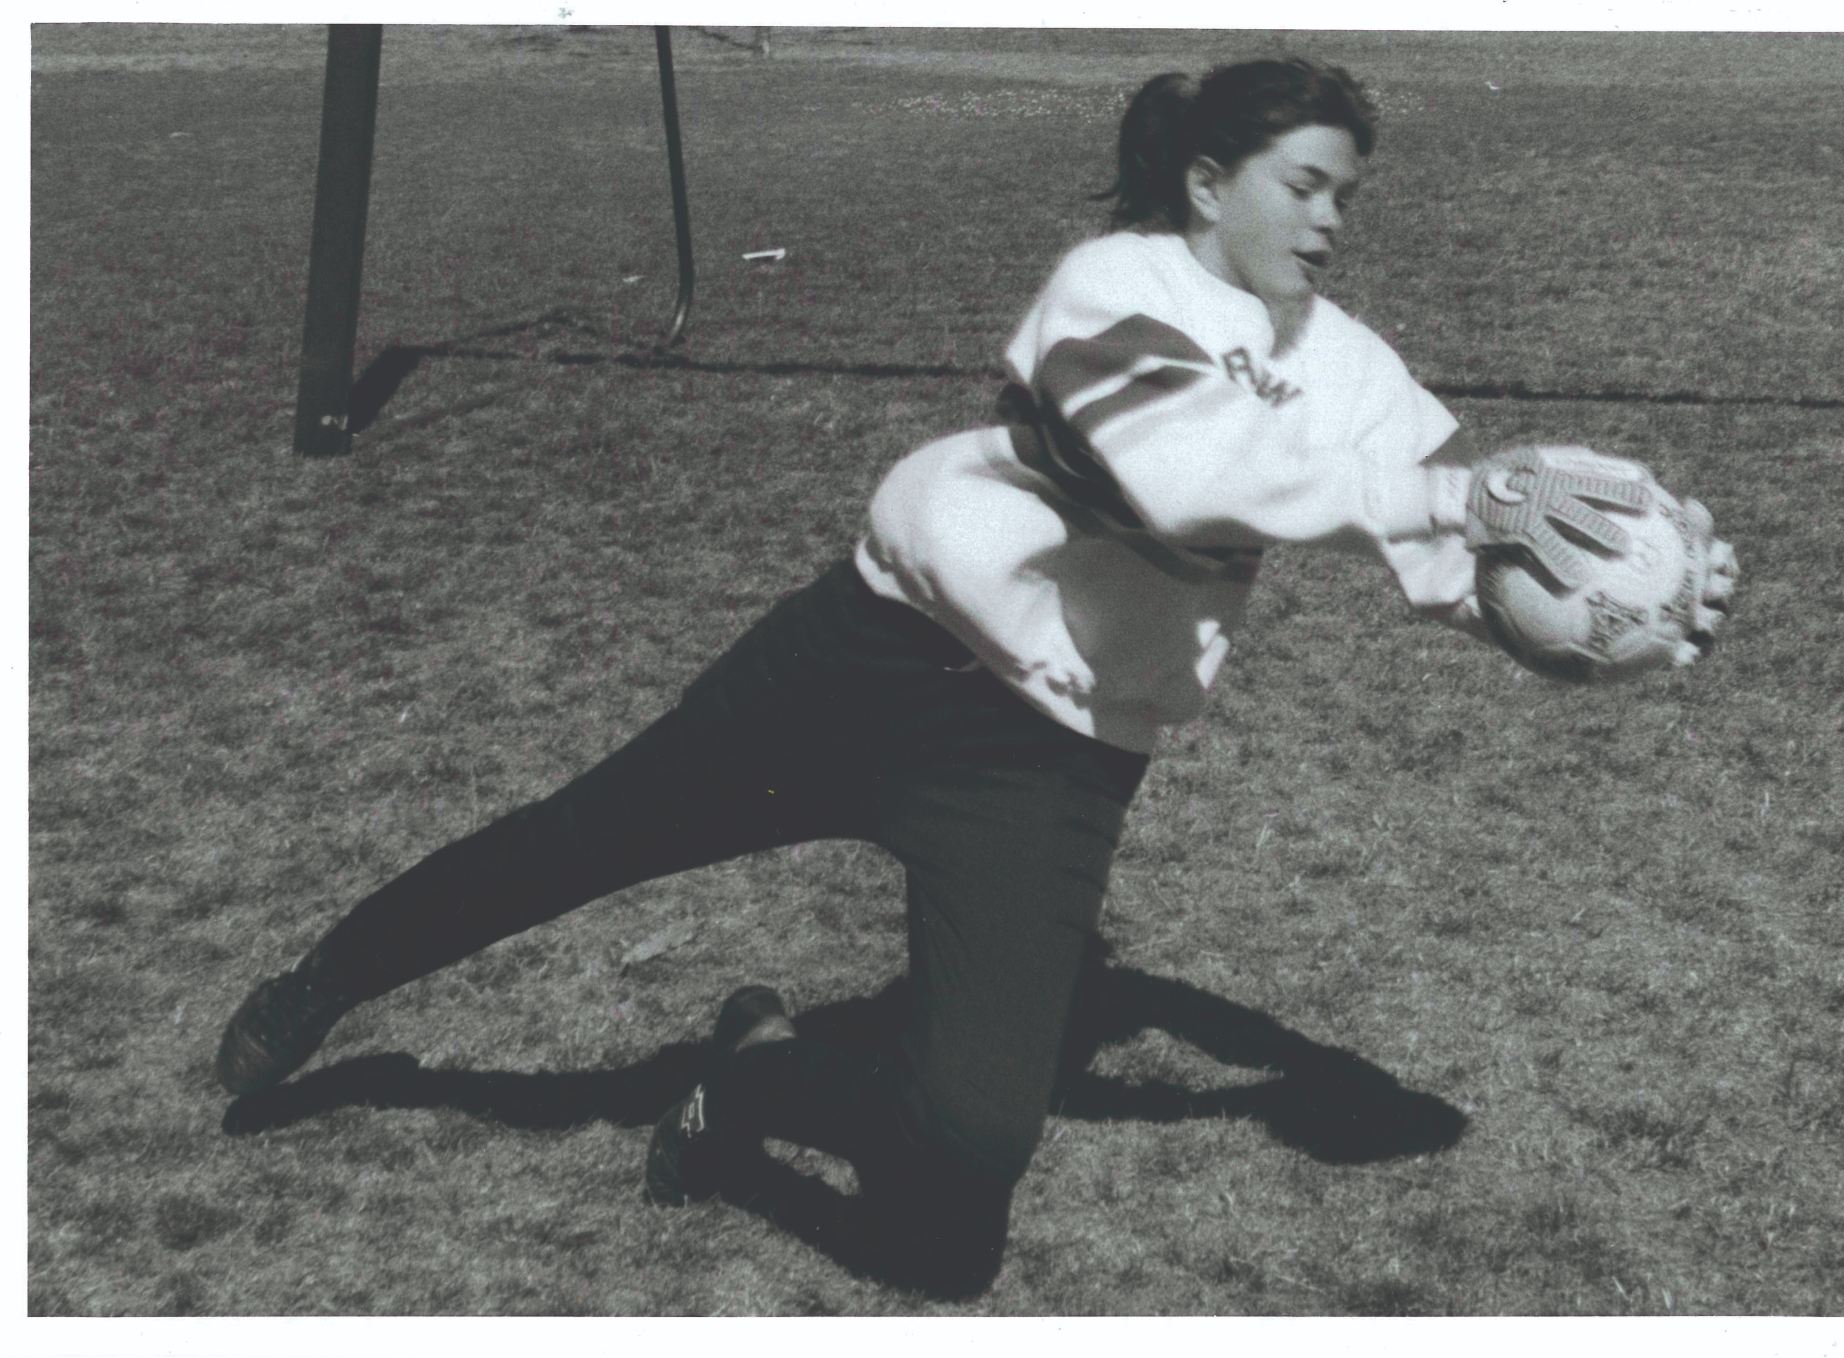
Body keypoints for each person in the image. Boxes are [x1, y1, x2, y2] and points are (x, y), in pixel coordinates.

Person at [215, 56, 1733, 1297]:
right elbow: (1185, 473)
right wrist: (1458, 496)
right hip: (873, 659)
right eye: (1305, 184)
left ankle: (744, 1081)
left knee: (963, 1177)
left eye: (1350, 193)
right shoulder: (1113, 289)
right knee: (581, 839)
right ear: (1209, 185)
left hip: (1049, 762)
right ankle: (328, 985)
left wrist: (1618, 624)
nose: (1333, 221)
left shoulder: (1357, 373)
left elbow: (1455, 575)